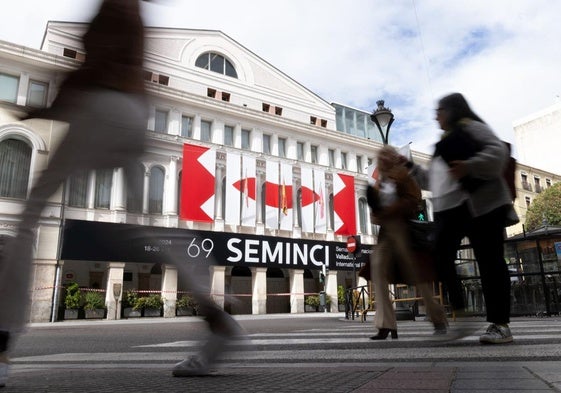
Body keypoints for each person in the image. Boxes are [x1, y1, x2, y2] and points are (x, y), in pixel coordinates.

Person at [0, 0, 242, 387]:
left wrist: (48, 108)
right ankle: (214, 313)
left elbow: (94, 65)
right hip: (132, 115)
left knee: (30, 216)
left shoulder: (115, 6)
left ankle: (2, 339)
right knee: (137, 225)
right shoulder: (135, 11)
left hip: (98, 107)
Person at [406, 92, 513, 344]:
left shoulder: (472, 128)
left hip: (480, 205)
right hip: (449, 210)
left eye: (440, 110)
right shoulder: (443, 143)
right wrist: (411, 169)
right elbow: (433, 180)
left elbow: (498, 153)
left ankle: (500, 324)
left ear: (453, 110)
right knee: (441, 258)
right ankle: (462, 314)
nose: (436, 116)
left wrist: (470, 165)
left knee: (490, 263)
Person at [367, 145, 447, 340]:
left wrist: (391, 209)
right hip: (386, 232)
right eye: (381, 156)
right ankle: (386, 325)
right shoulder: (379, 182)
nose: (383, 159)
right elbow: (375, 211)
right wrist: (377, 212)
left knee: (417, 274)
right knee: (377, 271)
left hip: (403, 229)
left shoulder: (403, 174)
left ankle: (437, 318)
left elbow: (414, 198)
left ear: (393, 157)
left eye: (387, 155)